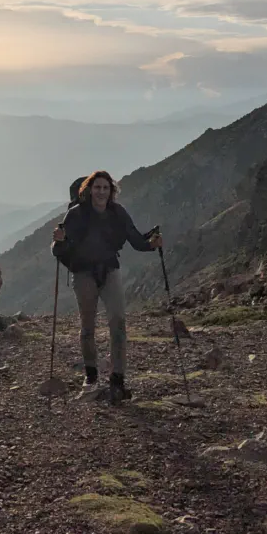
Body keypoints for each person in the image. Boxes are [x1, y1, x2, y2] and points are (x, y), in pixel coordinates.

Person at [51, 170, 162, 404]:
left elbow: (135, 240)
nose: (101, 192)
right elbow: (58, 249)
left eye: (105, 188)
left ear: (111, 191)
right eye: (97, 187)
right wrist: (58, 240)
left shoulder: (118, 213)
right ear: (89, 190)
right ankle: (91, 376)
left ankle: (117, 378)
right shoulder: (76, 214)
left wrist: (152, 245)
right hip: (83, 273)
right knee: (88, 326)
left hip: (110, 269)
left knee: (118, 320)